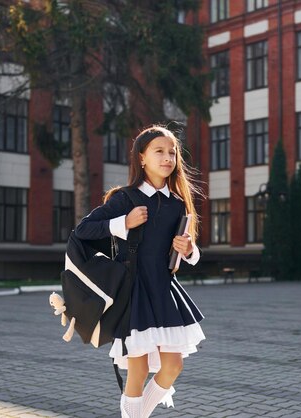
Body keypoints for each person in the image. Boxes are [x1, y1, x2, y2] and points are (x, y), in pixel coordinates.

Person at [74, 125, 205, 418]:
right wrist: (124, 222)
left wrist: (188, 249)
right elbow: (83, 229)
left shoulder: (177, 203)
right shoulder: (125, 198)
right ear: (142, 158)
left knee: (173, 366)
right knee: (139, 367)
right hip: (133, 290)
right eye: (159, 151)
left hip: (164, 288)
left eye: (172, 152)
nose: (168, 157)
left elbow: (189, 251)